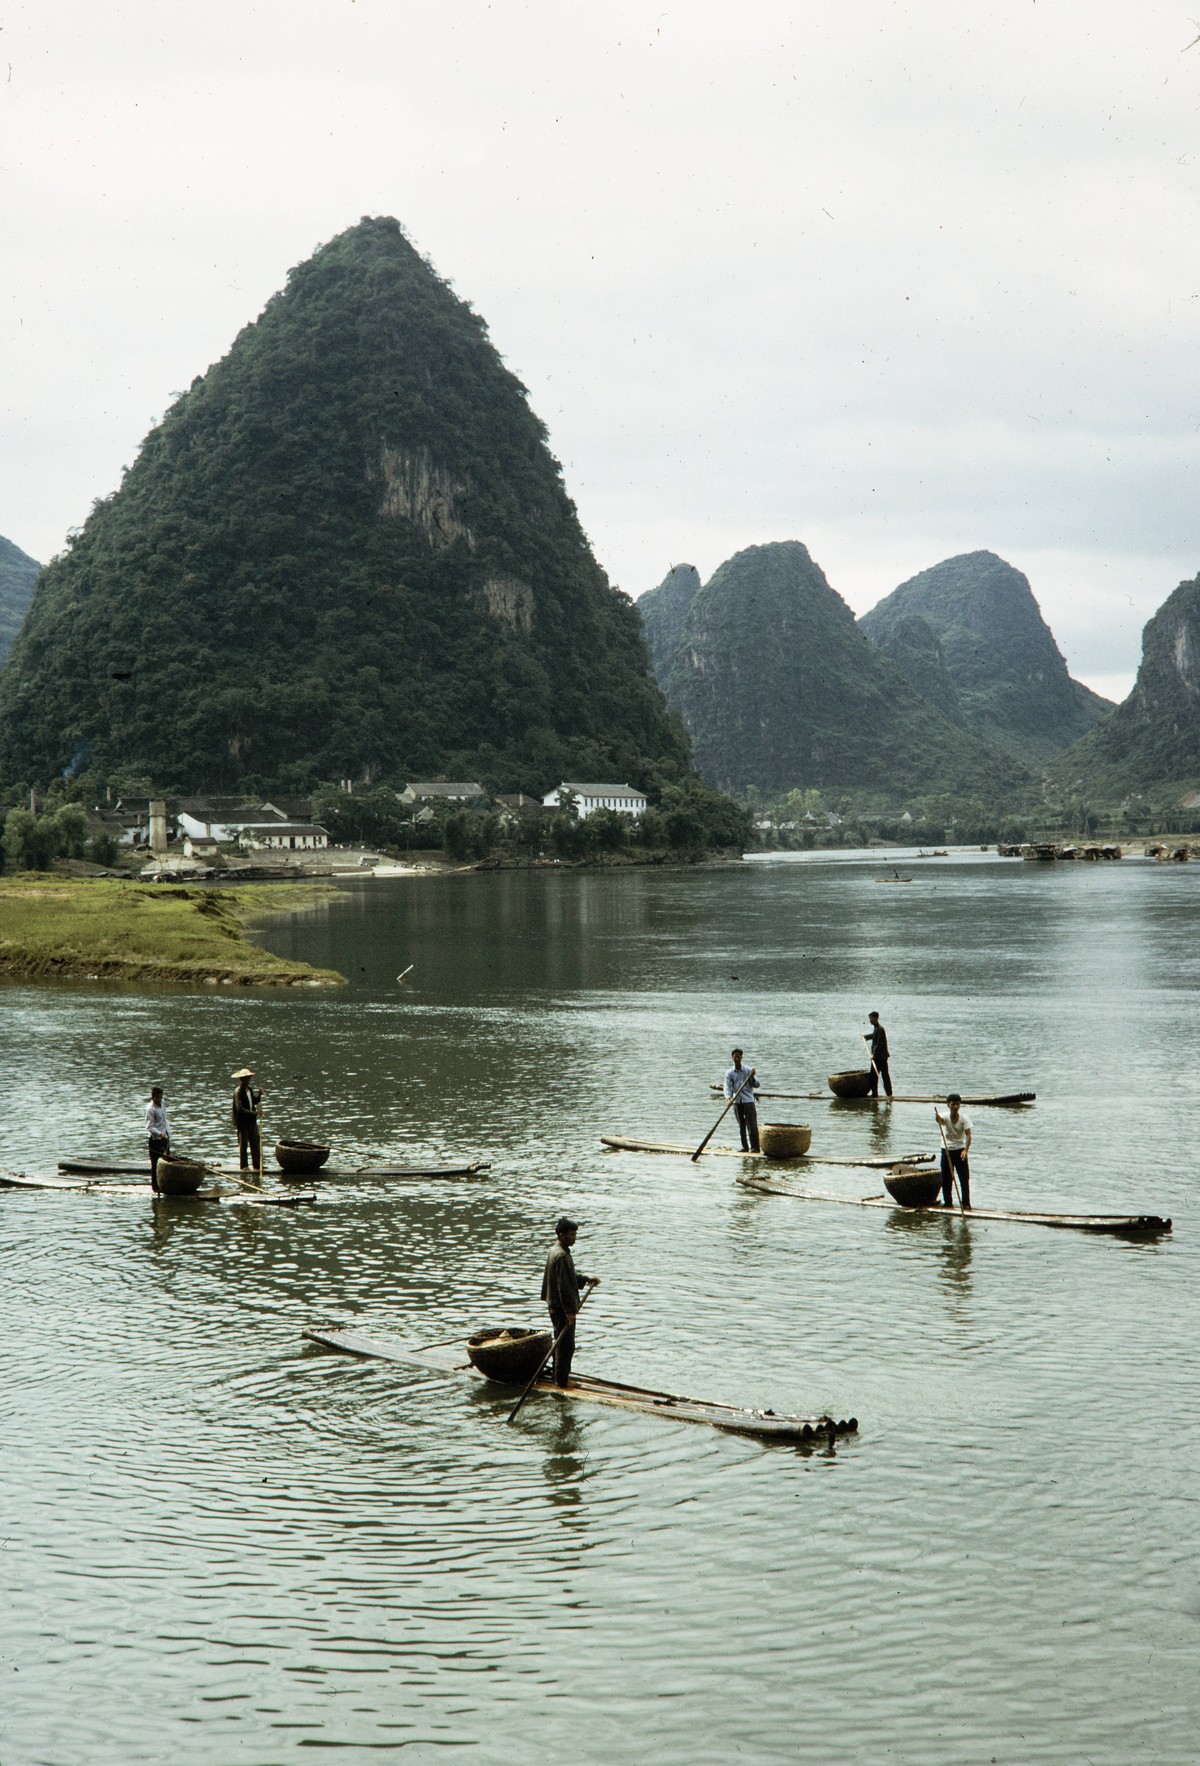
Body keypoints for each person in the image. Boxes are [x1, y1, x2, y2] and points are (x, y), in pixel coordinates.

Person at [540, 1217, 599, 1389]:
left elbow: (568, 1277)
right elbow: (564, 1287)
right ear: (561, 1234)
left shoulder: (556, 1251)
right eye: (572, 1235)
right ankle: (562, 1381)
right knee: (566, 1345)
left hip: (555, 1305)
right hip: (561, 1308)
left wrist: (586, 1279)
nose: (575, 1238)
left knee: (560, 1340)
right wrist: (569, 1312)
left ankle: (558, 1376)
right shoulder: (561, 1256)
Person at [935, 1093, 972, 1208]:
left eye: (957, 1104)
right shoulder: (944, 1116)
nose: (955, 1107)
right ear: (948, 1105)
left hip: (959, 1150)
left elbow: (968, 1135)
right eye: (953, 1104)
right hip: (946, 1150)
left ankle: (966, 1204)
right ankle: (948, 1203)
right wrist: (937, 1119)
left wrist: (965, 1150)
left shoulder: (964, 1119)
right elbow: (941, 1120)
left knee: (963, 1178)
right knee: (946, 1178)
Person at [724, 1048, 761, 1152]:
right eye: (734, 1056)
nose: (736, 1058)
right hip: (737, 1102)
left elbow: (757, 1084)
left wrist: (752, 1077)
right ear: (732, 1058)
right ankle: (745, 1147)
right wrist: (728, 1098)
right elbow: (727, 1087)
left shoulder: (748, 1070)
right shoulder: (729, 1073)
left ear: (741, 1058)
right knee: (741, 1126)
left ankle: (755, 1148)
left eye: (738, 1056)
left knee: (752, 1125)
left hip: (748, 1101)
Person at [231, 1068, 262, 1170]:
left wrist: (259, 1096)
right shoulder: (238, 1092)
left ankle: (257, 1165)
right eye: (245, 1078)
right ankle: (244, 1166)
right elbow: (239, 1109)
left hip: (252, 1122)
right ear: (241, 1079)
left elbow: (253, 1102)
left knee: (255, 1143)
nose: (247, 1080)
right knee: (243, 1144)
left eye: (248, 1078)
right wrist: (254, 1113)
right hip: (243, 1122)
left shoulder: (249, 1090)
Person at [145, 1085, 170, 1191]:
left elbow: (164, 1120)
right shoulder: (150, 1109)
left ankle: (166, 1185)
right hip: (155, 1139)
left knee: (167, 1162)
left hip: (165, 1137)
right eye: (157, 1098)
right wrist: (160, 1134)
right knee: (156, 1165)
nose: (159, 1100)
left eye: (160, 1097)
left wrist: (167, 1133)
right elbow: (149, 1127)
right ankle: (156, 1187)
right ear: (152, 1097)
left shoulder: (163, 1103)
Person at [864, 1011, 893, 1098]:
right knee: (881, 1075)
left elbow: (879, 1044)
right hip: (880, 1057)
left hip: (880, 1057)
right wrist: (866, 1037)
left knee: (875, 1076)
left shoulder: (880, 1029)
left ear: (875, 1018)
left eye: (871, 1019)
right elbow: (874, 1035)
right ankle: (886, 1093)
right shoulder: (877, 1028)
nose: (870, 1021)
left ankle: (881, 1094)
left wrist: (874, 1055)